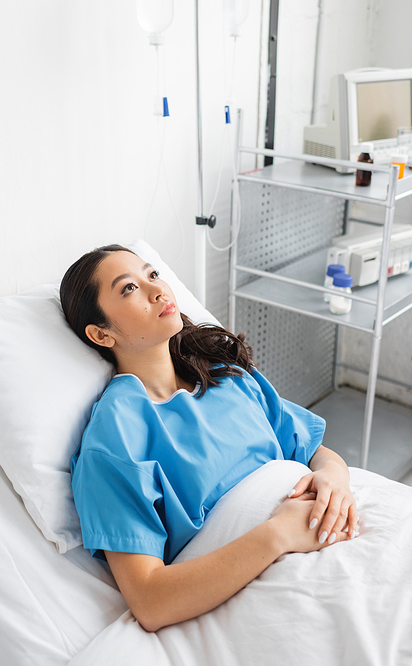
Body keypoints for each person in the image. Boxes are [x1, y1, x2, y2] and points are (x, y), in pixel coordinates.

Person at [60, 244, 359, 633]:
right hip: (270, 576)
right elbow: (149, 600)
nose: (157, 291)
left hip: (331, 531)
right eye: (129, 289)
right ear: (101, 334)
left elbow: (316, 452)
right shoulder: (115, 436)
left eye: (152, 275)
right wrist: (279, 533)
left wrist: (335, 479)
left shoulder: (223, 372)